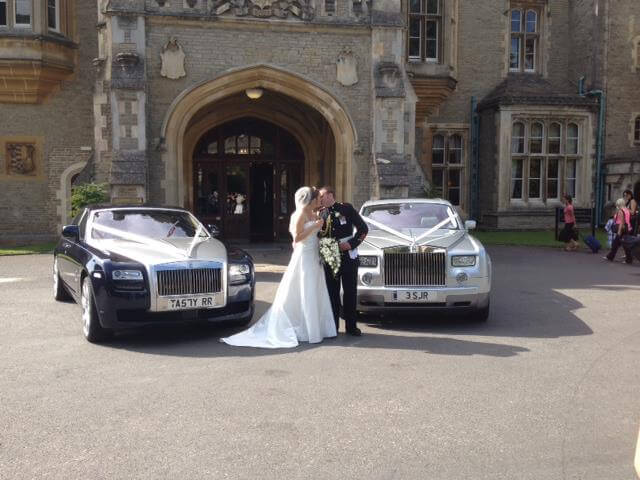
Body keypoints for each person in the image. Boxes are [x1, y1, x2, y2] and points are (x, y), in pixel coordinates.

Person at [221, 187, 336, 348]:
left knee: (315, 290)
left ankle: (319, 328)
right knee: (305, 289)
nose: (320, 201)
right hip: (304, 257)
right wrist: (314, 227)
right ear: (311, 200)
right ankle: (306, 329)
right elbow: (297, 237)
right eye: (318, 198)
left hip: (314, 255)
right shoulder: (300, 214)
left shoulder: (314, 213)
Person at [318, 186, 368, 336]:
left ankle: (351, 327)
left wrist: (351, 244)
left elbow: (363, 229)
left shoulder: (346, 209)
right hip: (331, 257)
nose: (320, 199)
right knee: (332, 293)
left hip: (347, 257)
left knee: (350, 292)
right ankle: (333, 327)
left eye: (322, 196)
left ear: (330, 195)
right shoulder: (321, 213)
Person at [604, 198, 633, 264]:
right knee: (622, 244)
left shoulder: (621, 211)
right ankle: (611, 256)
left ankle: (628, 259)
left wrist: (619, 232)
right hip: (627, 228)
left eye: (617, 204)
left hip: (621, 229)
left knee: (617, 244)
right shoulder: (627, 210)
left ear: (619, 204)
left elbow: (621, 222)